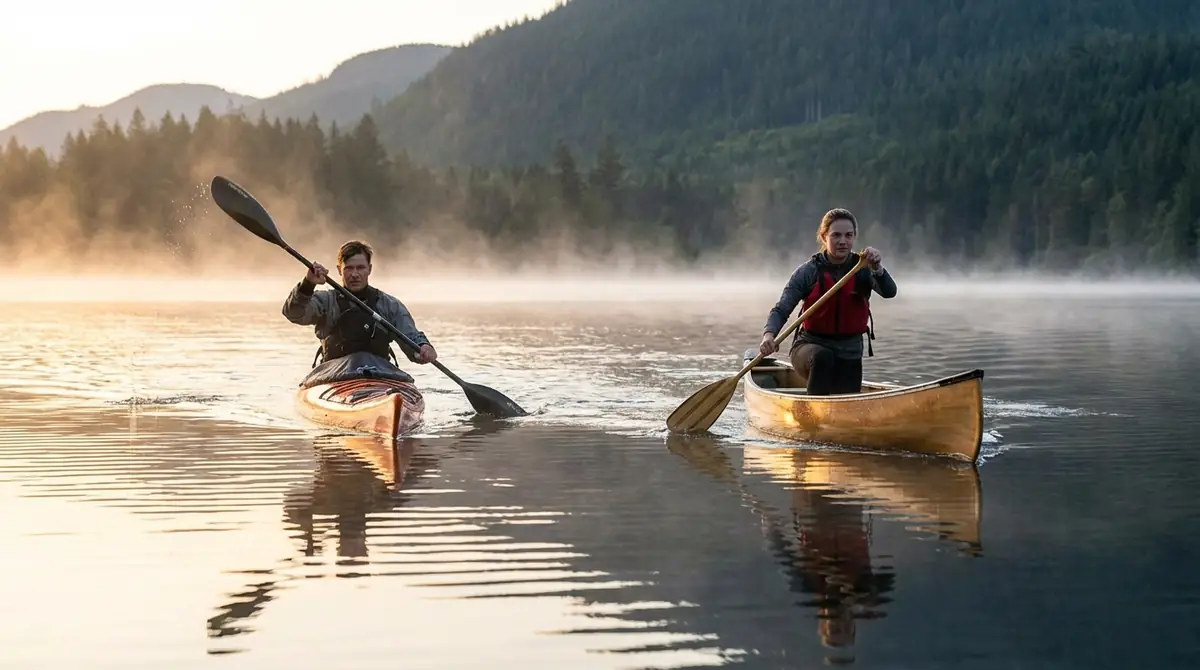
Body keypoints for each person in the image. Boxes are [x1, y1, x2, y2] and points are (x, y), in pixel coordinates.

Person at [758, 208, 897, 395]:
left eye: (849, 235)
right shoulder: (809, 271)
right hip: (809, 348)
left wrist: (877, 268)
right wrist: (769, 335)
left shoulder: (863, 268)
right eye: (836, 235)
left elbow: (889, 292)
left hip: (850, 351)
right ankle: (811, 419)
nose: (843, 241)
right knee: (823, 357)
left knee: (849, 402)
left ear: (855, 237)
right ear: (824, 237)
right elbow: (782, 309)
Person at [282, 239, 437, 367]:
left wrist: (423, 348)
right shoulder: (325, 301)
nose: (355, 274)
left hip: (379, 375)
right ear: (339, 270)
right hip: (334, 377)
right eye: (349, 268)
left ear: (369, 269)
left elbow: (410, 336)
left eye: (360, 268)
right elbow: (293, 314)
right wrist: (308, 284)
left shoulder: (389, 305)